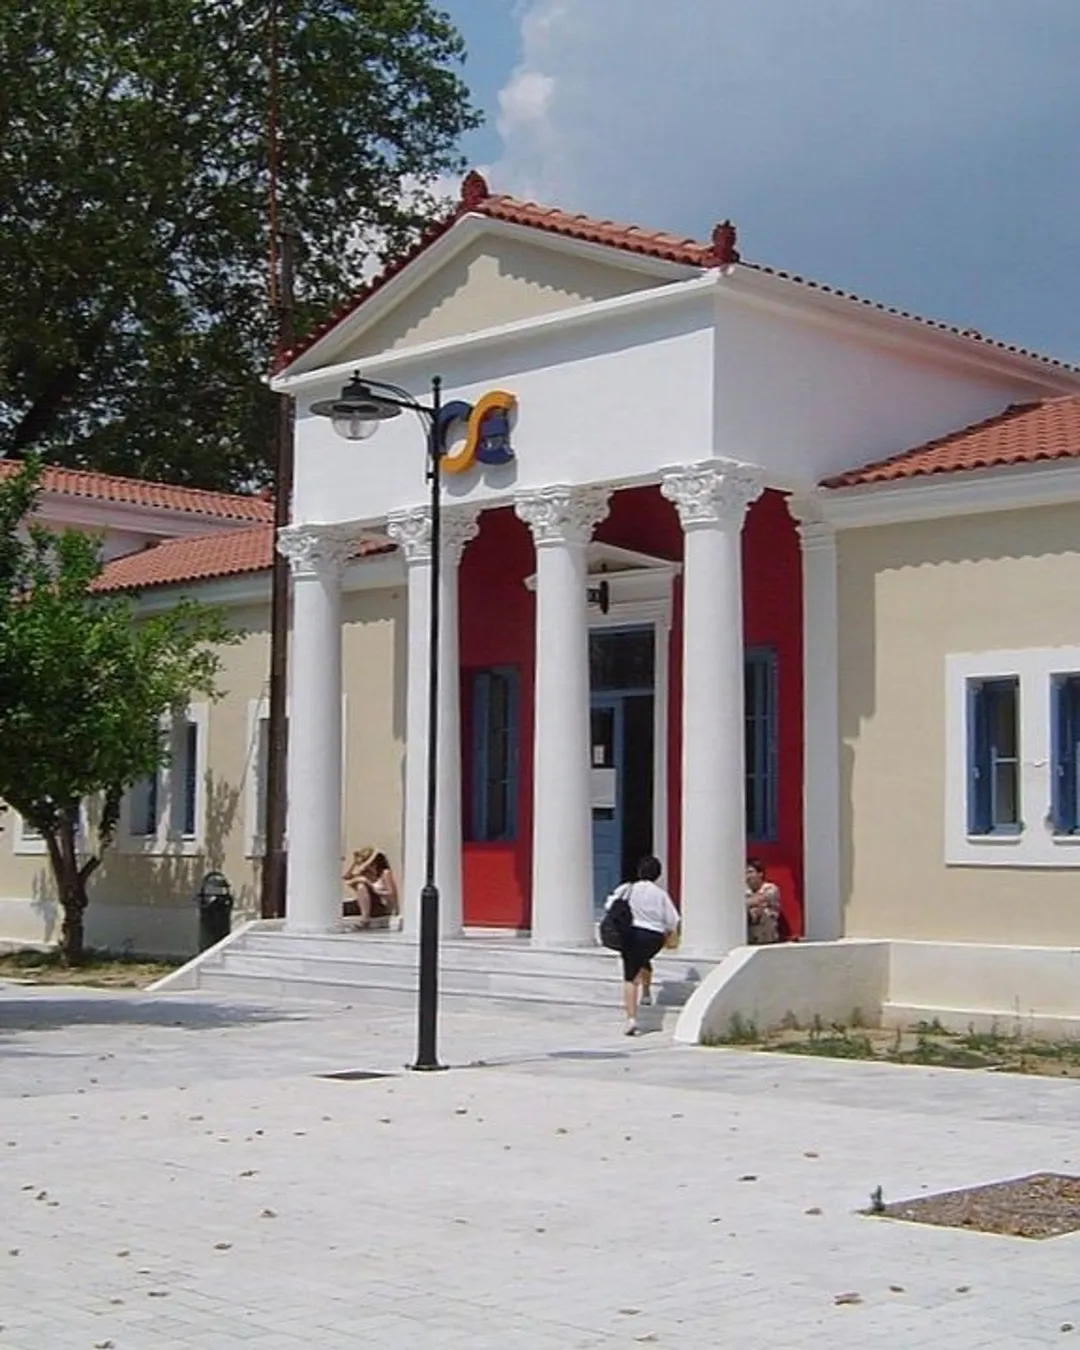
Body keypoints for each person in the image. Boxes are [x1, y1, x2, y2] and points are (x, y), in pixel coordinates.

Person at [603, 855, 680, 1036]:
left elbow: (609, 906)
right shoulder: (660, 894)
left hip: (631, 934)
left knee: (630, 977)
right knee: (644, 959)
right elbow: (673, 920)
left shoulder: (627, 888)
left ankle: (631, 1019)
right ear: (658, 874)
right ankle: (646, 993)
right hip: (654, 937)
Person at [342, 846, 399, 928]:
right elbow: (346, 877)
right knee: (339, 907)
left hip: (379, 905)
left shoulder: (384, 873)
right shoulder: (366, 873)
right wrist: (354, 863)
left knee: (361, 885)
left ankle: (365, 919)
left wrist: (372, 887)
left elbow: (391, 893)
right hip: (364, 903)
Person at [745, 857, 781, 945]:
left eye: (750, 872)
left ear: (760, 873)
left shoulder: (770, 888)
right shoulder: (744, 890)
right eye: (745, 873)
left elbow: (759, 900)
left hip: (768, 939)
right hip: (749, 939)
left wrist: (747, 903)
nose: (747, 876)